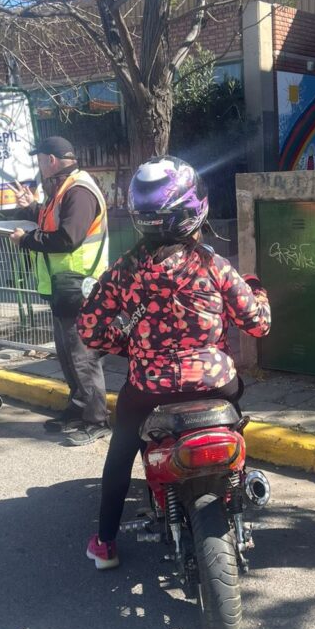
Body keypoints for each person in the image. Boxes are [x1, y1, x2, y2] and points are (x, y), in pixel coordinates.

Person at [77, 156, 271, 569]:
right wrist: (261, 294)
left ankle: (105, 543)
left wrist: (124, 338)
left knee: (119, 455)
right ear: (195, 209)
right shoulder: (215, 266)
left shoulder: (122, 273)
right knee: (236, 411)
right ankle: (239, 482)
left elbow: (90, 333)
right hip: (215, 384)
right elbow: (257, 325)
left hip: (149, 389)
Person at [9, 135, 110, 446]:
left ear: (50, 160)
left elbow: (68, 238)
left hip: (80, 286)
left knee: (83, 357)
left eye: (39, 158)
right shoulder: (64, 189)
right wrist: (32, 209)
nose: (37, 164)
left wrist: (26, 239)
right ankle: (78, 409)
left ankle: (97, 420)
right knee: (67, 353)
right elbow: (54, 224)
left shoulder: (79, 191)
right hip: (63, 286)